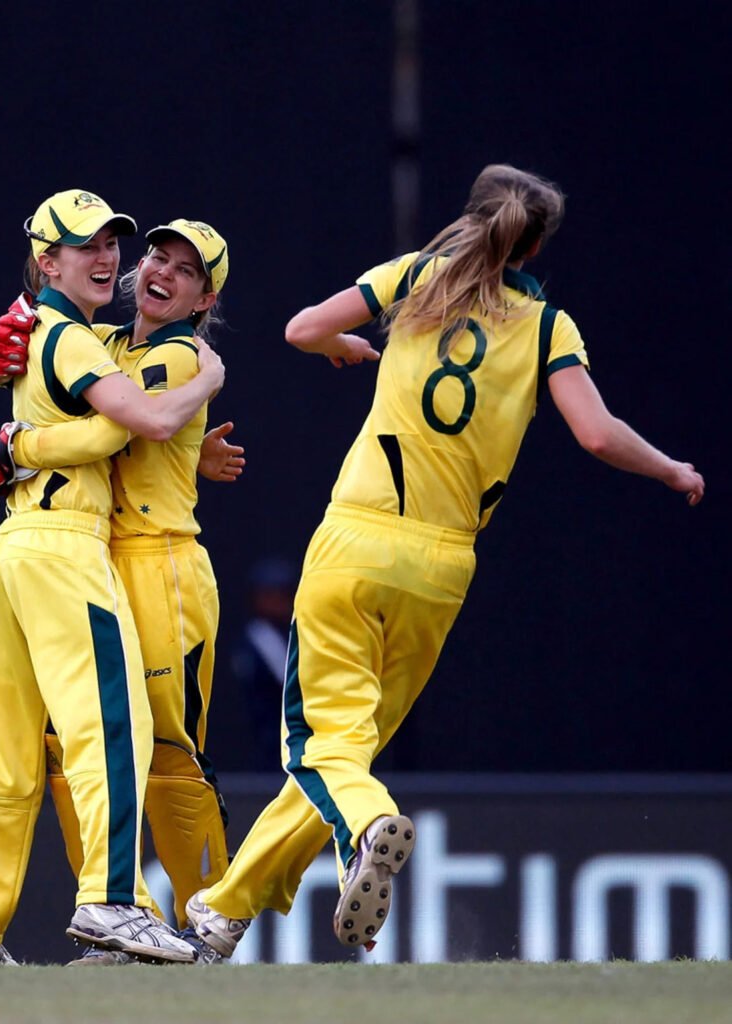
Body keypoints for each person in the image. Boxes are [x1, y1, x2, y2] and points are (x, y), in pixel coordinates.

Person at [174, 164, 704, 961]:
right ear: (535, 243)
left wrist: (345, 346)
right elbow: (596, 435)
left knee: (324, 752)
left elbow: (301, 328)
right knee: (343, 751)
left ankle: (367, 824)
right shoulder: (549, 326)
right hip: (444, 568)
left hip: (359, 537)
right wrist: (670, 468)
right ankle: (224, 913)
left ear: (476, 220)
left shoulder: (419, 277)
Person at [0, 190, 224, 967]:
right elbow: (148, 421)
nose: (109, 257)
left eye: (110, 243)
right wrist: (206, 383)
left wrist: (20, 442)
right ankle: (114, 904)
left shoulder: (44, 327)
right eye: (84, 245)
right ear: (46, 258)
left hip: (12, 552)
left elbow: (21, 377)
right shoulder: (74, 336)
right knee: (113, 734)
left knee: (10, 756)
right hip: (67, 552)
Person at [230, 558, 297, 771]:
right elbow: (288, 679)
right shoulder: (258, 638)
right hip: (267, 742)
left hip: (294, 741)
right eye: (269, 594)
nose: (278, 601)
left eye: (283, 594)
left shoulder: (292, 632)